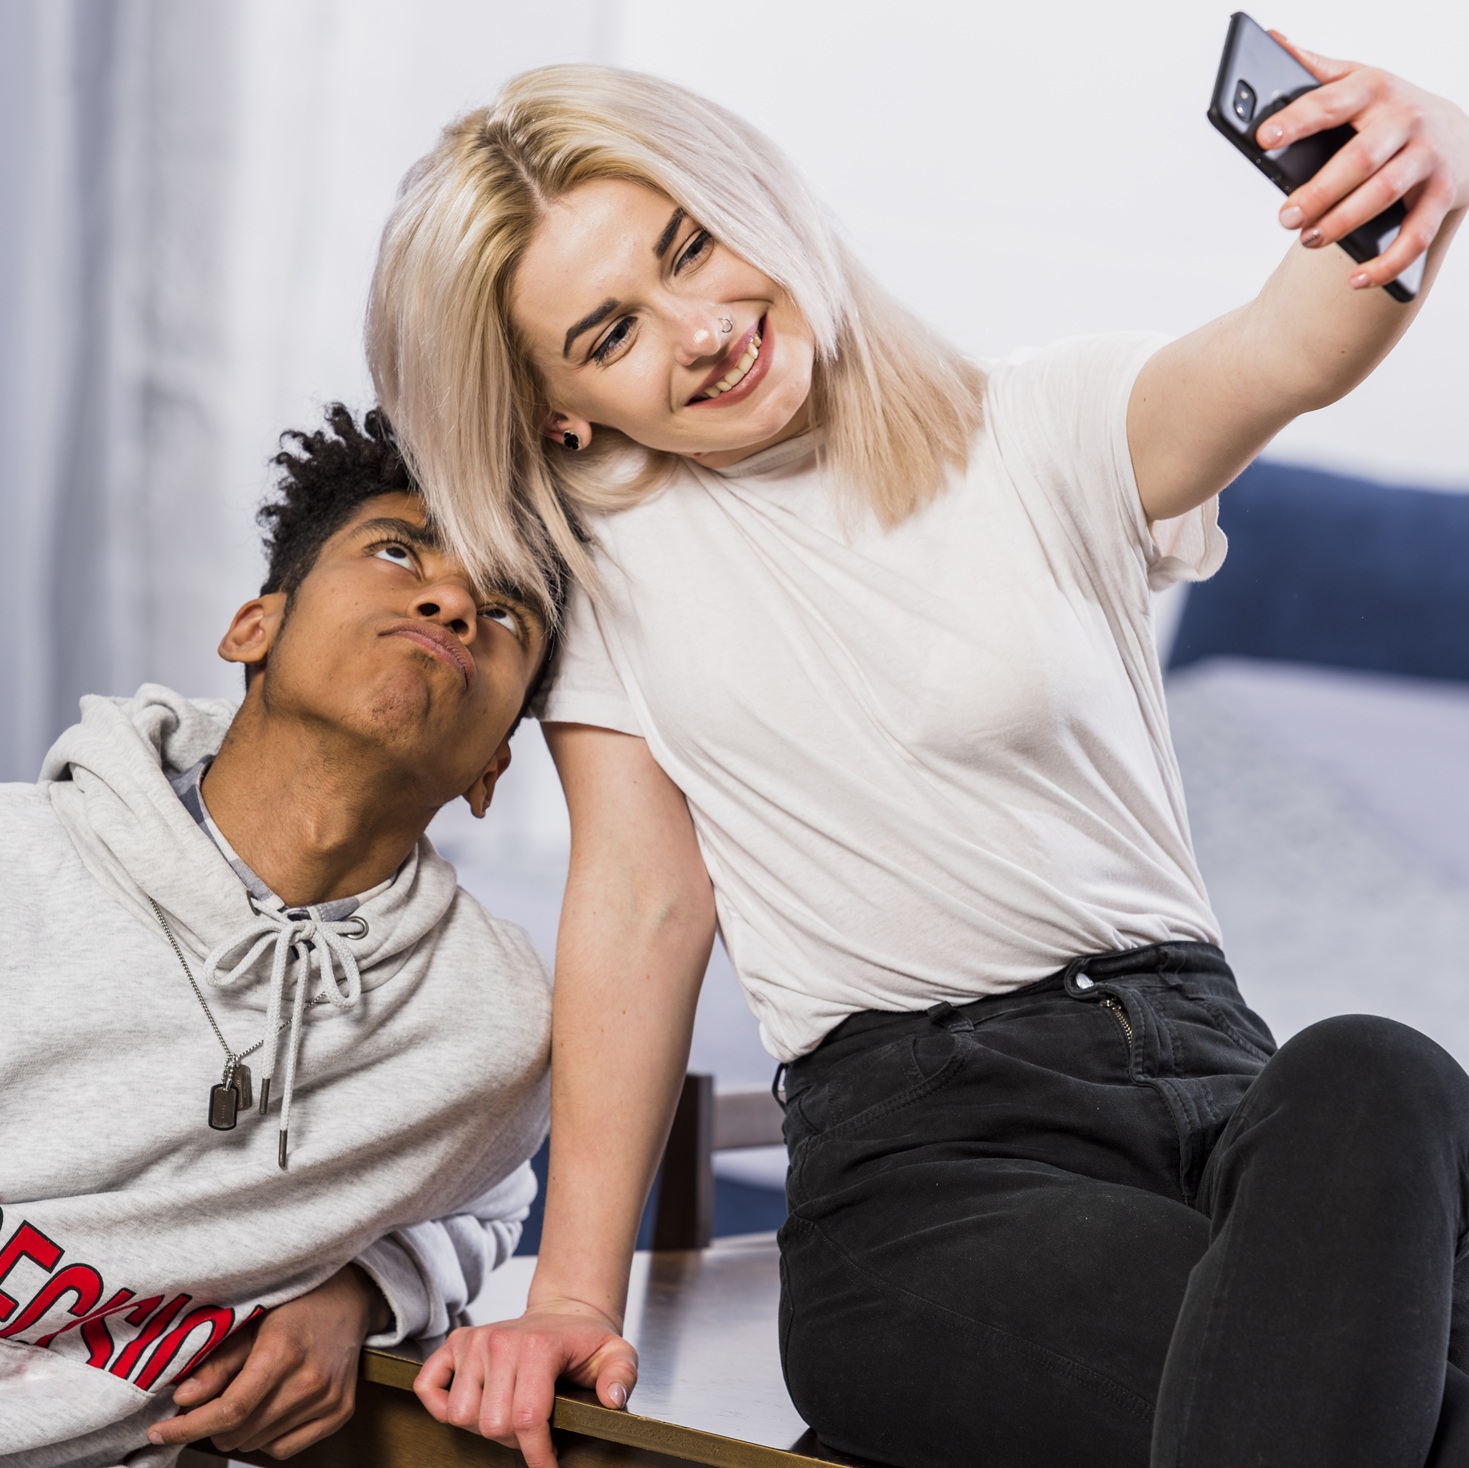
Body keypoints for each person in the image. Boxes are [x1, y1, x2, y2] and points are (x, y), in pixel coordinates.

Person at [365, 35, 1469, 1468]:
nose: (698, 327)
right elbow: (641, 903)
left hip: (1222, 1092)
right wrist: (575, 1295)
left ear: (752, 206)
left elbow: (1290, 346)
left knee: (1379, 1070)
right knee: (1381, 1390)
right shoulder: (608, 573)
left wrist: (1426, 153)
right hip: (934, 1169)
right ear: (561, 410)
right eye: (611, 332)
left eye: (691, 247)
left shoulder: (1038, 427)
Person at [0, 406, 559, 1464]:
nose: (450, 602)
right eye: (397, 552)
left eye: (504, 612)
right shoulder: (14, 868)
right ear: (252, 628)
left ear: (494, 767)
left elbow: (487, 1191)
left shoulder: (489, 1021)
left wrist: (367, 1284)